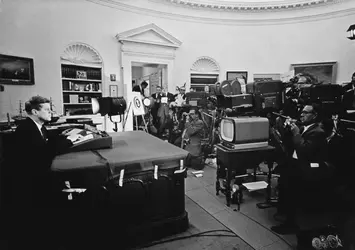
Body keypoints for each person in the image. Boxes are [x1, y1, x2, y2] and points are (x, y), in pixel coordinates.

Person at [271, 103, 329, 235]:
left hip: (305, 169)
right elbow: (288, 144)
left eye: (306, 112)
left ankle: (292, 225)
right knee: (285, 190)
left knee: (293, 196)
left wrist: (296, 132)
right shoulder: (304, 128)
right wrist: (287, 129)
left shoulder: (318, 132)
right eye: (302, 112)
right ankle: (286, 217)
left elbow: (304, 150)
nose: (301, 114)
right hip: (294, 164)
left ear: (315, 115)